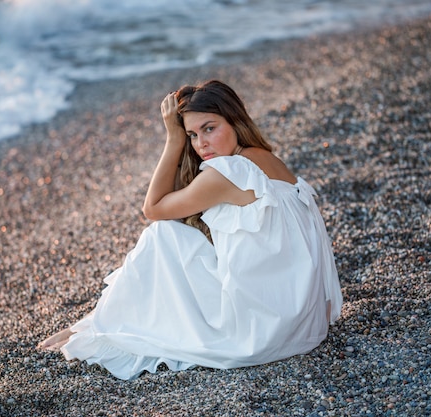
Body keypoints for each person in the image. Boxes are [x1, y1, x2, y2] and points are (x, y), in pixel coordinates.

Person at [39, 80, 343, 380]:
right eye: (191, 135)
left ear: (235, 121)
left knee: (162, 236)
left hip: (261, 333)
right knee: (184, 242)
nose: (201, 144)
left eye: (209, 128)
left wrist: (173, 139)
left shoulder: (231, 172)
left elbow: (153, 208)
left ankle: (100, 325)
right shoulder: (266, 159)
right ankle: (98, 320)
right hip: (304, 325)